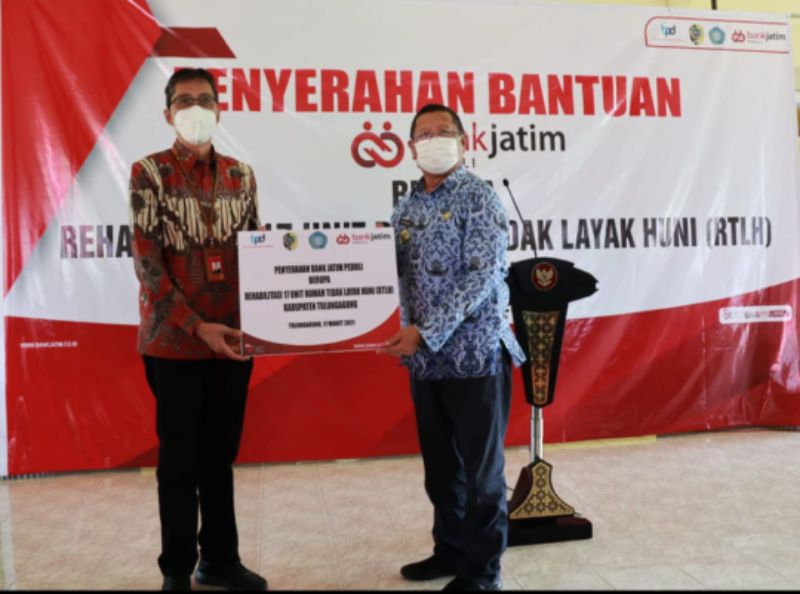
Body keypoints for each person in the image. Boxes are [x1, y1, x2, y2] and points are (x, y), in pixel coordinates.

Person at [129, 68, 267, 591]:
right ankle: (176, 569)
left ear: (219, 109)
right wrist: (195, 324)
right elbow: (147, 263)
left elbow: (257, 252)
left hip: (231, 342)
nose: (196, 109)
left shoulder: (242, 175)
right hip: (174, 343)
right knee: (179, 461)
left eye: (205, 99)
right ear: (168, 113)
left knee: (219, 458)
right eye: (184, 100)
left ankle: (221, 560)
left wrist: (268, 321)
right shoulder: (150, 172)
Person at [381, 104, 526, 591]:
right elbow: (382, 270)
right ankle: (450, 551)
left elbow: (481, 277)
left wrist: (424, 331)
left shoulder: (478, 198)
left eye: (444, 132)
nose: (434, 140)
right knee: (441, 469)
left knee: (483, 474)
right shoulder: (406, 207)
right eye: (424, 134)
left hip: (476, 356)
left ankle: (483, 572)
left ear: (464, 142)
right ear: (410, 148)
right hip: (426, 362)